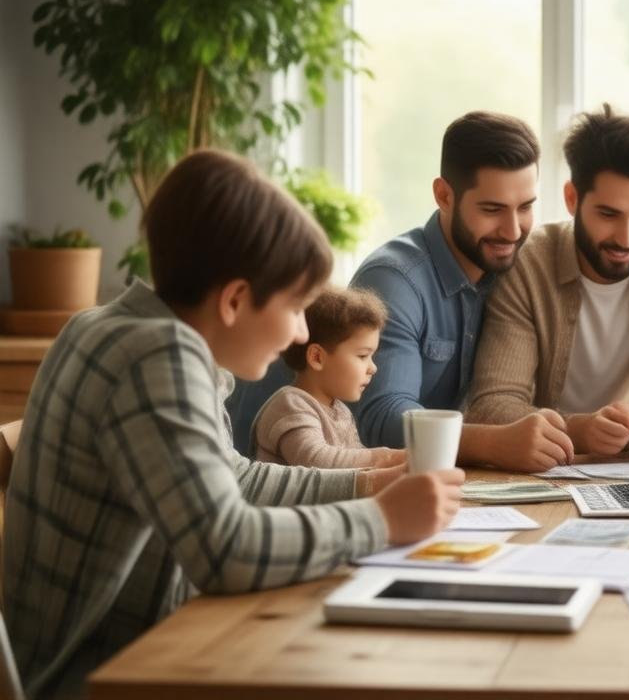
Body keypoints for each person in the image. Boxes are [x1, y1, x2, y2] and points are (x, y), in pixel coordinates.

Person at [2, 150, 464, 697]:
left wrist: (368, 483)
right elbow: (226, 551)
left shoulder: (106, 326)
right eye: (296, 307)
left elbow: (232, 477)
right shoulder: (158, 356)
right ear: (235, 300)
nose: (300, 334)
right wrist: (381, 520)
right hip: (93, 679)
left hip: (130, 653)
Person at [227, 111, 567, 471]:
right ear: (444, 196)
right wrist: (494, 443)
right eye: (492, 209)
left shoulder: (502, 271)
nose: (513, 230)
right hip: (269, 480)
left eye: (525, 207)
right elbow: (381, 419)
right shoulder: (395, 279)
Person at [466, 104, 629, 470]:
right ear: (572, 199)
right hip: (540, 469)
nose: (626, 237)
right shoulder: (528, 263)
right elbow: (492, 404)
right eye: (608, 214)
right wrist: (579, 430)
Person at [252, 286, 405, 468]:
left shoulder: (341, 410)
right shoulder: (290, 405)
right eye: (363, 356)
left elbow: (357, 464)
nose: (373, 368)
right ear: (317, 357)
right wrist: (388, 458)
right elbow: (315, 460)